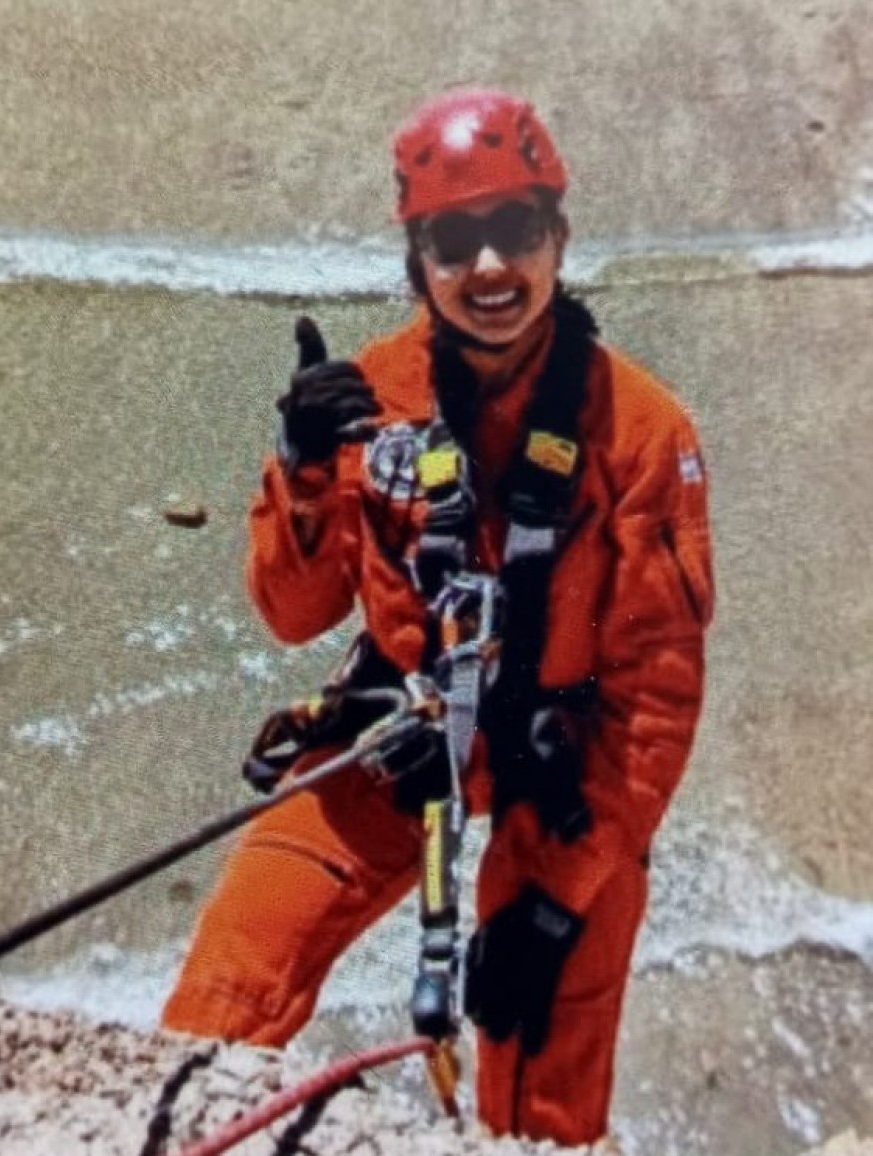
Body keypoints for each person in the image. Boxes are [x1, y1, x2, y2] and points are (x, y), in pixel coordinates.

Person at [157, 87, 714, 1147]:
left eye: (515, 230)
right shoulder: (364, 395)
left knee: (540, 1074)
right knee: (231, 981)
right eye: (455, 240)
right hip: (399, 739)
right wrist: (304, 478)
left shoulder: (640, 431)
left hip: (569, 774)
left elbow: (655, 693)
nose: (490, 268)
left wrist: (561, 892)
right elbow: (291, 613)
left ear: (558, 237)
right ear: (418, 257)